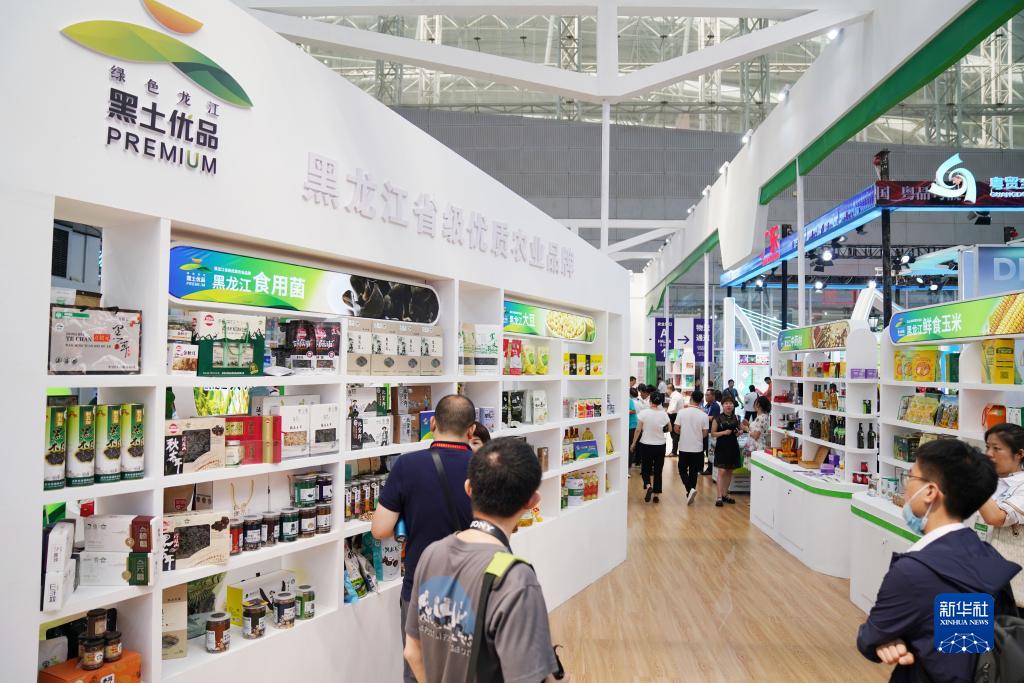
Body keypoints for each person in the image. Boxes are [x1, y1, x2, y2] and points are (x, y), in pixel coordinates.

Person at [857, 439, 1020, 683]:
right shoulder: (986, 556)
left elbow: (871, 636)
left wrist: (895, 637)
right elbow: (962, 651)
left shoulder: (913, 572)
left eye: (911, 477)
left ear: (930, 492)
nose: (906, 487)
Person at [404, 438, 562, 683]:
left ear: (468, 488)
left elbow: (412, 652)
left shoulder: (431, 553)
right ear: (532, 501)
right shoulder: (516, 580)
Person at [372, 394, 478, 683]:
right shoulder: (484, 467)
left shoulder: (407, 465)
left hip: (421, 585)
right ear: (471, 430)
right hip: (473, 585)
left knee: (417, 668)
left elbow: (380, 530)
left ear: (432, 424)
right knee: (469, 669)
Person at [978, 422, 1024, 606]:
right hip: (978, 574)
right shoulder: (991, 480)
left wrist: (976, 479)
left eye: (997, 448)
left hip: (1010, 587)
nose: (989, 454)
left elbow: (996, 518)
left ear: (1019, 454)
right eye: (987, 447)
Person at [630, 391, 670, 504]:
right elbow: (670, 429)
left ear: (650, 400)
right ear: (660, 402)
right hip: (660, 445)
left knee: (646, 469)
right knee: (658, 470)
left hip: (646, 444)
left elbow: (638, 430)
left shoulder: (644, 413)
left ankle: (648, 486)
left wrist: (633, 443)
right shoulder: (663, 414)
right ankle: (656, 495)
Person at [674, 393, 709, 505]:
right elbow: (705, 433)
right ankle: (691, 491)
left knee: (682, 470)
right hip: (697, 447)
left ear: (691, 399)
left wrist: (684, 433)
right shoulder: (704, 415)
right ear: (701, 401)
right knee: (694, 471)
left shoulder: (681, 412)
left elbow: (676, 429)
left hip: (684, 446)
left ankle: (689, 490)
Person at [710, 396, 742, 507]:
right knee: (722, 471)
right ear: (722, 405)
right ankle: (719, 496)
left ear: (733, 406)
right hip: (722, 447)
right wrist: (723, 433)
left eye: (731, 403)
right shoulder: (717, 418)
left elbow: (738, 431)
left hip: (733, 446)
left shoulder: (736, 417)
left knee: (729, 471)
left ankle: (725, 494)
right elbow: (713, 433)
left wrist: (739, 432)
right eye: (726, 403)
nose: (729, 405)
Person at [702, 388, 721, 475]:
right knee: (705, 449)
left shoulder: (715, 406)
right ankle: (702, 468)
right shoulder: (707, 405)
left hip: (711, 431)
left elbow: (713, 418)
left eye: (707, 395)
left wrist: (702, 416)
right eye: (705, 395)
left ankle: (710, 469)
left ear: (713, 396)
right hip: (705, 430)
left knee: (709, 450)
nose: (706, 396)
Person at [666, 383, 683, 457]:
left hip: (674, 416)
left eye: (667, 389)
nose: (666, 391)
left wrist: (665, 413)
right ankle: (675, 451)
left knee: (674, 434)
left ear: (669, 389)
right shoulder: (678, 395)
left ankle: (674, 452)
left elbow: (672, 409)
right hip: (678, 415)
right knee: (677, 434)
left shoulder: (674, 397)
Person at [628, 387, 640, 469]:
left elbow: (633, 411)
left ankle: (628, 465)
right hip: (627, 426)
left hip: (632, 426)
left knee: (630, 445)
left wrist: (625, 411)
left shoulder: (630, 401)